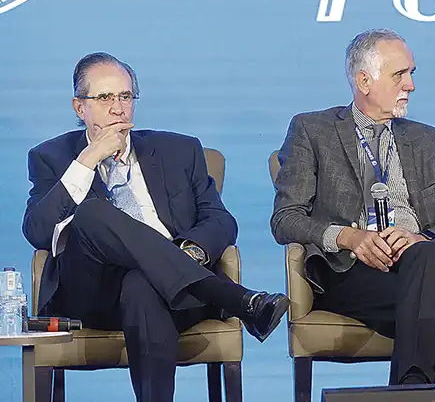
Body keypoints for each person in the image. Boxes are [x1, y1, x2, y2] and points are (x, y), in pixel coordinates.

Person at [23, 52, 289, 402]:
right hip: (93, 296)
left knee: (140, 284)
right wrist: (87, 161)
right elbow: (38, 231)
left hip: (174, 293)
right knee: (89, 213)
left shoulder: (178, 150)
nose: (117, 108)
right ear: (79, 107)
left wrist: (190, 253)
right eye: (104, 98)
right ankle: (231, 297)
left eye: (125, 96)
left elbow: (220, 219)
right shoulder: (50, 157)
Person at [270, 29, 435, 385]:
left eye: (411, 73)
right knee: (433, 300)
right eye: (400, 75)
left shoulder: (426, 139)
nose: (411, 85)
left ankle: (409, 390)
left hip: (419, 265)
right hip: (349, 271)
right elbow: (285, 219)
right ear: (364, 81)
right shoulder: (313, 130)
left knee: (427, 258)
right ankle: (413, 389)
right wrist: (349, 237)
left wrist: (424, 238)